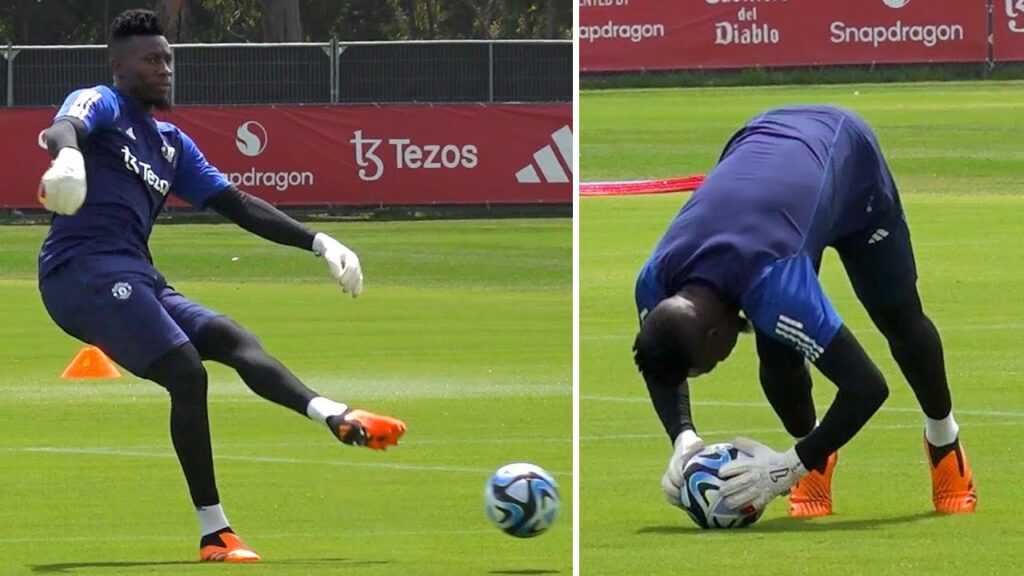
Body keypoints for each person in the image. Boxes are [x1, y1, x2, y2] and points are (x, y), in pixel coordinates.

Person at [37, 9, 406, 563]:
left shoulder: (170, 143)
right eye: (151, 59)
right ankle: (217, 533)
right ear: (119, 66)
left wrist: (318, 242)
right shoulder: (102, 103)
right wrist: (67, 154)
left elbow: (237, 205)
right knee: (186, 371)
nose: (164, 68)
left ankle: (335, 415)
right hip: (79, 273)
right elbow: (61, 128)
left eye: (167, 59)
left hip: (136, 274)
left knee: (231, 338)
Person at [632, 105, 976, 519]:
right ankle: (816, 451)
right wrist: (682, 437)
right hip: (771, 166)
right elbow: (658, 361)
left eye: (705, 367)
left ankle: (944, 442)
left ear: (711, 334)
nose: (713, 368)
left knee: (898, 318)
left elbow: (867, 386)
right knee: (777, 350)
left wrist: (786, 468)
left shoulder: (775, 285)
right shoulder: (654, 282)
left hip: (849, 161)